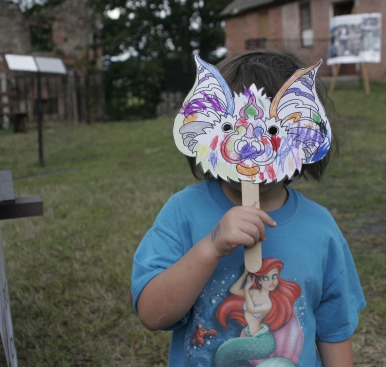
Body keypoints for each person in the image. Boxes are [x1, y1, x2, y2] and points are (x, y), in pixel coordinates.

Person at [131, 50, 366, 367]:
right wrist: (210, 247)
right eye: (233, 128)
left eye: (271, 130)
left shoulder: (320, 228)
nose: (250, 145)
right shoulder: (182, 212)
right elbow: (152, 313)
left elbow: (334, 328)